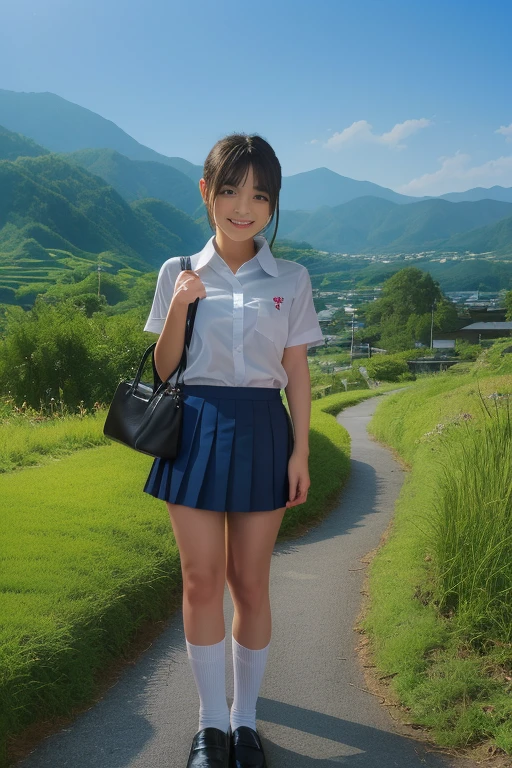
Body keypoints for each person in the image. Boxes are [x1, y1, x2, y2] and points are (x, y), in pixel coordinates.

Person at [143, 133, 324, 768]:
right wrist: (180, 308)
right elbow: (165, 370)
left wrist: (300, 451)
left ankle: (245, 722)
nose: (243, 206)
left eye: (259, 195)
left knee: (250, 580)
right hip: (192, 425)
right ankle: (209, 727)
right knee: (201, 579)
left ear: (272, 204)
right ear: (206, 192)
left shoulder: (292, 278)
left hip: (263, 428)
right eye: (229, 190)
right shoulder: (177, 273)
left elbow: (296, 372)